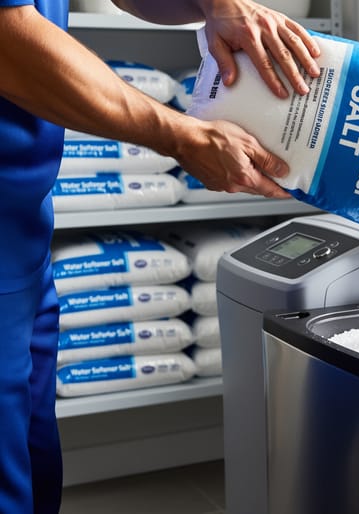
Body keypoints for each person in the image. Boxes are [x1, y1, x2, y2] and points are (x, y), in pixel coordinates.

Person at [0, 1, 321, 512]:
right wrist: (182, 135)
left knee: (33, 459)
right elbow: (8, 40)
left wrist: (214, 5)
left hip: (23, 227)